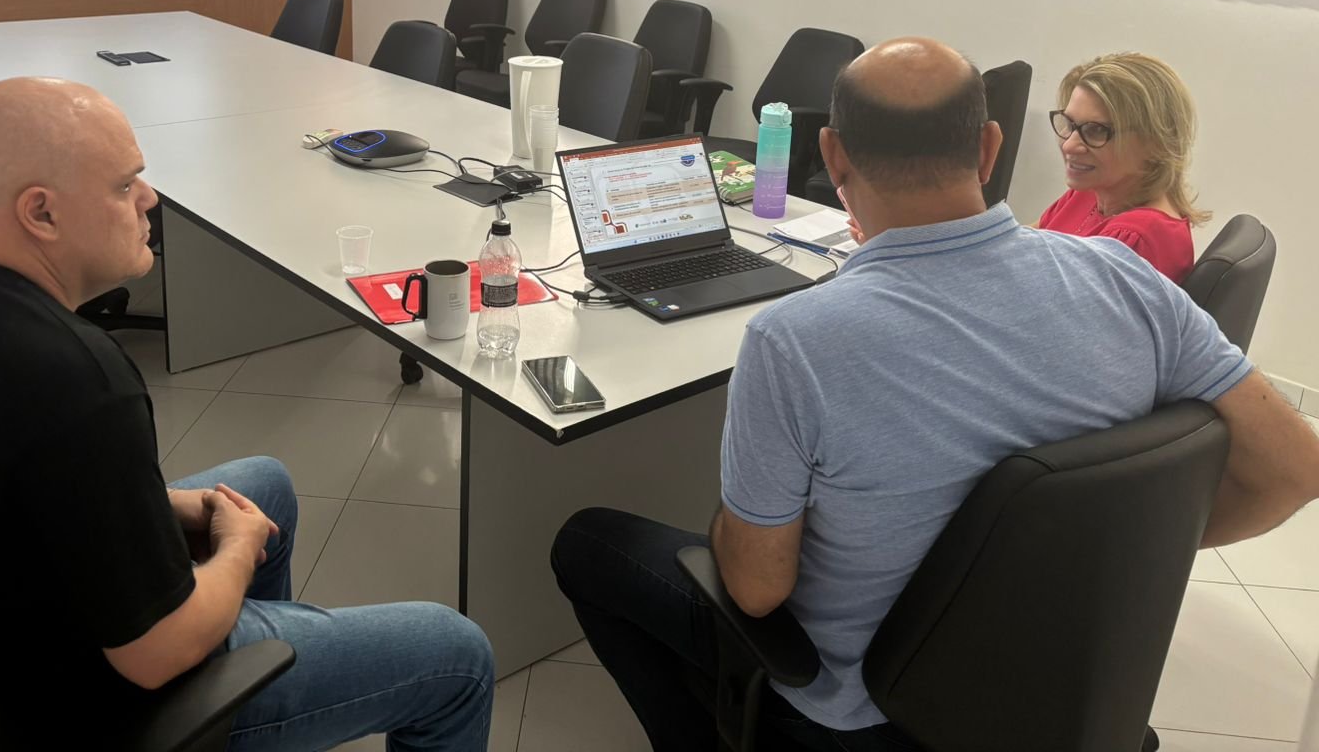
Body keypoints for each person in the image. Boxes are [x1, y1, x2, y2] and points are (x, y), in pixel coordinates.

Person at [551, 38, 1319, 752]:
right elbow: (1298, 468)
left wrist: (733, 517)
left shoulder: (794, 340)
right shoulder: (1128, 282)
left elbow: (755, 591)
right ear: (990, 148)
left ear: (832, 155)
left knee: (589, 542)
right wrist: (1126, 548)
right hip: (1053, 683)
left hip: (869, 715)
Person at [0, 77, 494, 750]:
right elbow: (155, 653)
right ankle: (229, 710)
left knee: (264, 483)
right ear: (41, 213)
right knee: (456, 655)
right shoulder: (71, 379)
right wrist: (237, 550)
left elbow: (5, 484)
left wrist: (163, 508)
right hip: (77, 701)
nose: (149, 198)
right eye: (124, 185)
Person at [1039, 52, 1203, 283]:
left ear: (1155, 142)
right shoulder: (1091, 192)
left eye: (1096, 130)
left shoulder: (1135, 239)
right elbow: (1024, 244)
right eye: (1069, 124)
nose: (1069, 145)